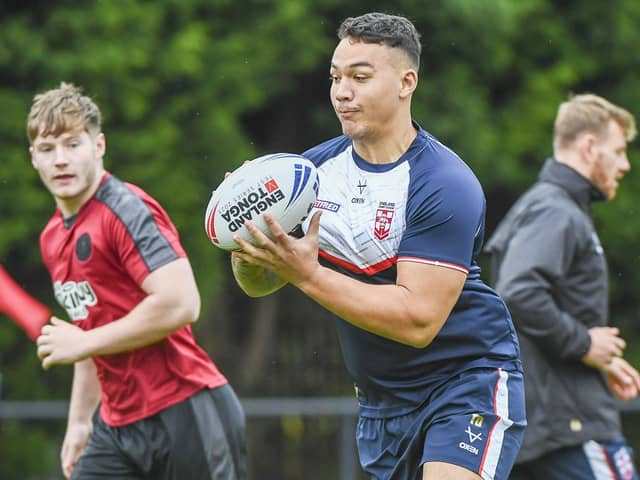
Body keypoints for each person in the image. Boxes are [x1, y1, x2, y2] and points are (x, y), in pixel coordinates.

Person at [229, 12, 525, 480]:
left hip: (464, 382)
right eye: (335, 77)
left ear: (407, 82)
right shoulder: (307, 175)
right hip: (381, 403)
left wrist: (305, 274)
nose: (342, 92)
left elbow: (417, 321)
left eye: (360, 77)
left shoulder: (444, 183)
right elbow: (258, 284)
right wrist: (247, 245)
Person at [30, 83, 246, 480]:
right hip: (116, 427)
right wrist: (79, 422)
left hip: (184, 410)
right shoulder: (51, 238)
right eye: (47, 149)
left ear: (99, 146)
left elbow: (182, 303)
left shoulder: (125, 208)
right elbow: (89, 325)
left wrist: (83, 344)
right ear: (34, 159)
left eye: (73, 144)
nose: (60, 160)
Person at [485, 93, 640, 480]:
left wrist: (599, 356)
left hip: (548, 420)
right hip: (569, 425)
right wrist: (585, 345)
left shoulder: (547, 206)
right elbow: (518, 291)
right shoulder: (555, 210)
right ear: (589, 147)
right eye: (619, 151)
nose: (625, 165)